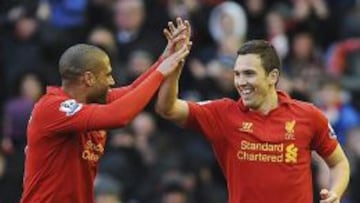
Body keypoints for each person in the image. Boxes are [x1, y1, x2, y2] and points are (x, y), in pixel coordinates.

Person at [156, 36, 350, 203]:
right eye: (237, 74)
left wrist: (335, 193)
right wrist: (174, 67)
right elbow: (168, 108)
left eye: (249, 73)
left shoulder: (308, 115)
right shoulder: (223, 113)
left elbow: (339, 163)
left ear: (272, 76)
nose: (241, 82)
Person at [20, 18, 191, 203]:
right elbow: (119, 116)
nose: (112, 82)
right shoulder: (52, 108)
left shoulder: (92, 100)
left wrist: (164, 59)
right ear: (89, 79)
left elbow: (133, 90)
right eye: (107, 75)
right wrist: (161, 73)